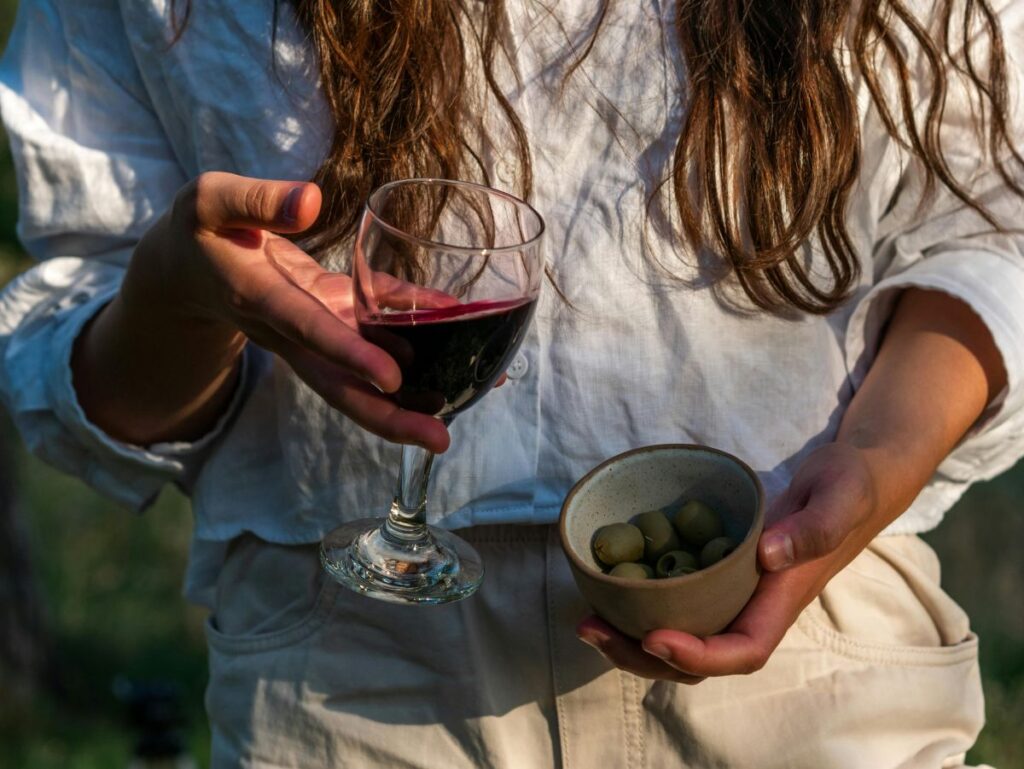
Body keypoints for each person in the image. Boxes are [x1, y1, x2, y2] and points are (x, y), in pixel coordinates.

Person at [1, 0, 1022, 766]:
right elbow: (95, 365)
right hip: (354, 684)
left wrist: (875, 463)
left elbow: (989, 231)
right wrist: (182, 295)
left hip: (806, 645)